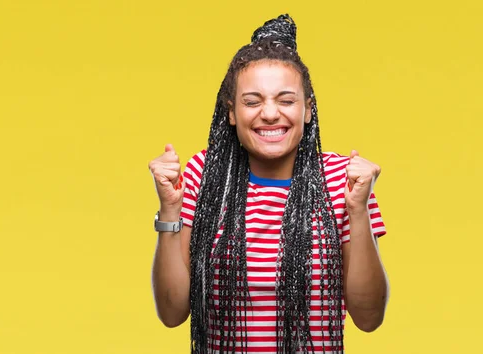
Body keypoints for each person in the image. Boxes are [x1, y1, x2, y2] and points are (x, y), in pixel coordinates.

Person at [148, 14, 388, 354]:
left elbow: (369, 317)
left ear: (308, 110)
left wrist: (358, 210)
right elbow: (172, 313)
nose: (270, 113)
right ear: (231, 112)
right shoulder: (205, 175)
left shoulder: (341, 178)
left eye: (286, 100)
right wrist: (170, 208)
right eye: (252, 101)